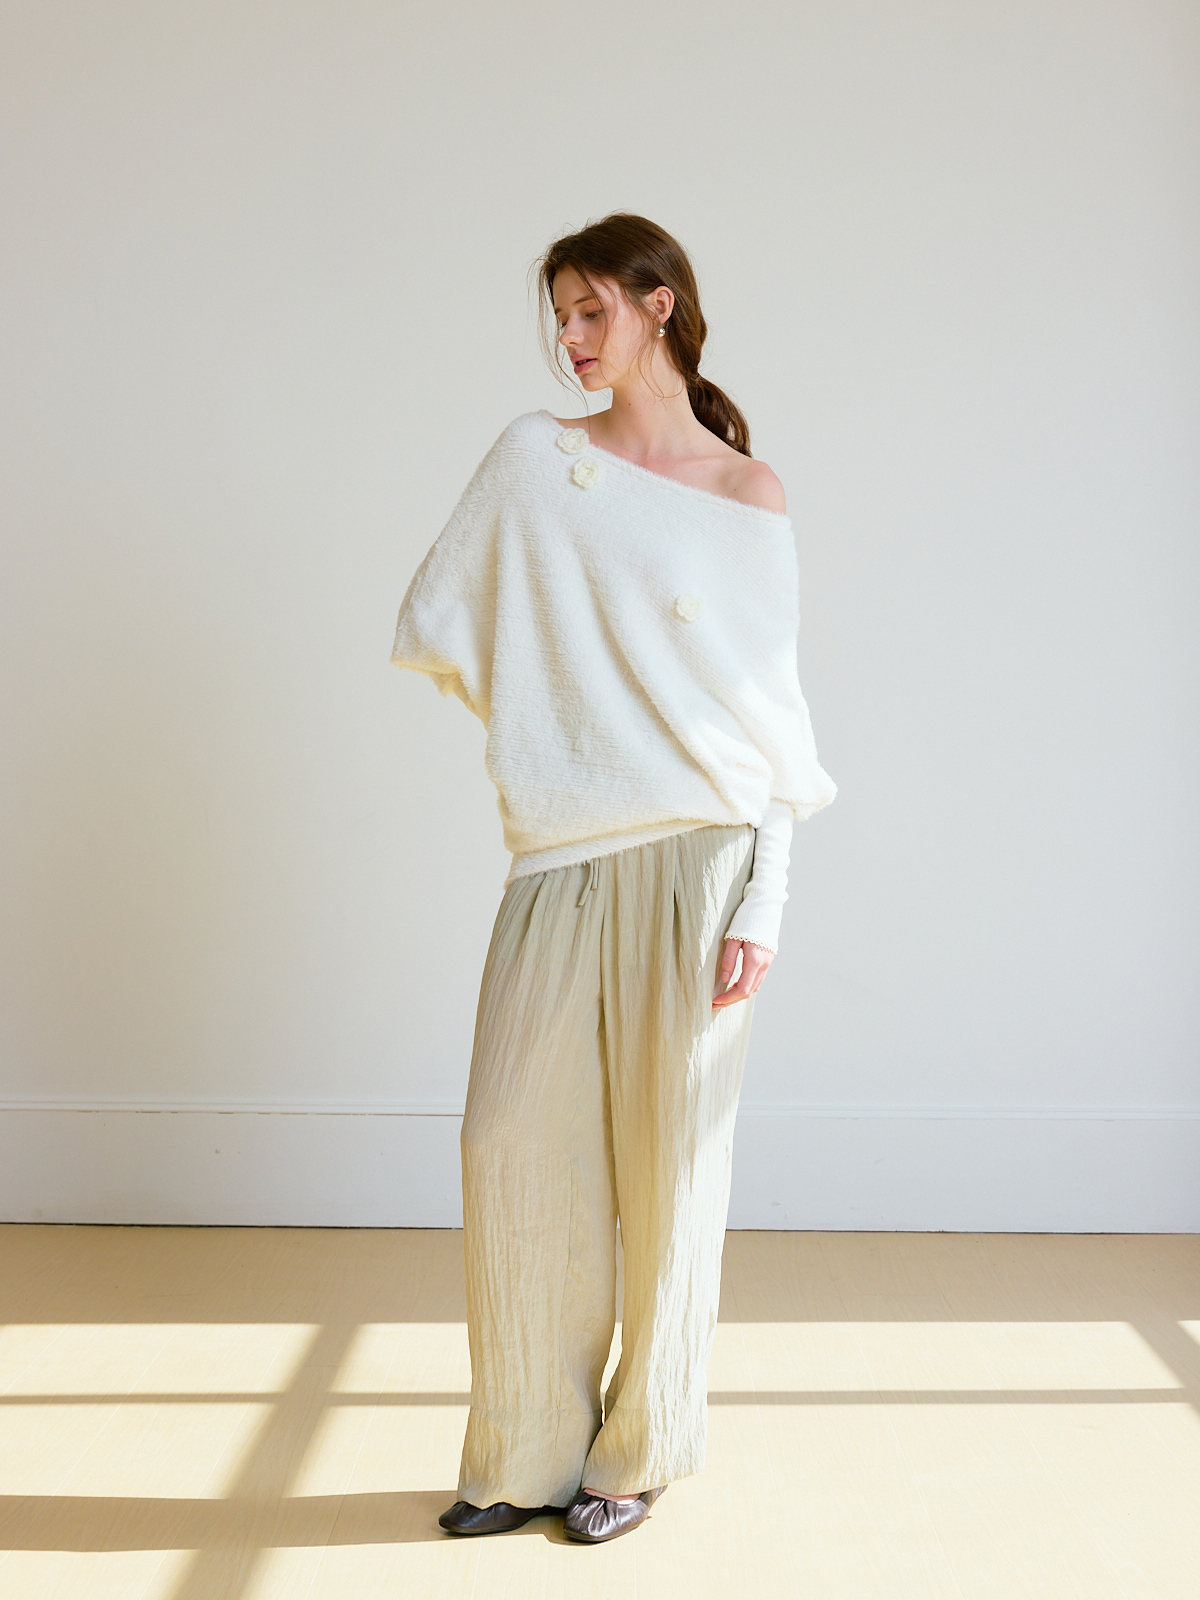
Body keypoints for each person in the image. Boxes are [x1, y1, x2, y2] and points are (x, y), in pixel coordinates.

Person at [391, 212, 835, 1545]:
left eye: (593, 311)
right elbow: (446, 616)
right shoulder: (539, 459)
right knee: (510, 1143)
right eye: (561, 317)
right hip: (563, 854)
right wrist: (568, 721)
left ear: (659, 306)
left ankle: (635, 1454)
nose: (571, 339)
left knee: (672, 1167)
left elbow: (773, 723)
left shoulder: (748, 494)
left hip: (703, 860)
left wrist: (767, 900)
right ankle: (524, 1448)